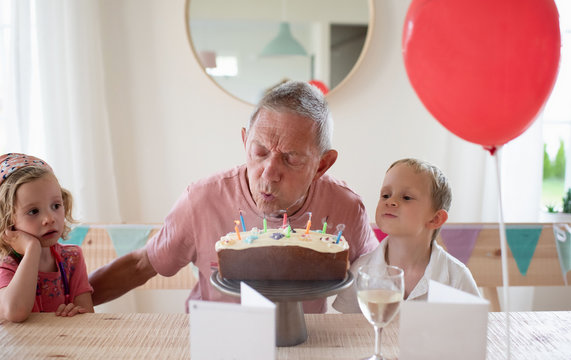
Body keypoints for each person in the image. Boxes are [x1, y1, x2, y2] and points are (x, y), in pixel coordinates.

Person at [89, 81, 379, 313]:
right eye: (260, 152)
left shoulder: (345, 208)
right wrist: (71, 302)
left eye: (291, 158)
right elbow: (142, 265)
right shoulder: (201, 201)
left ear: (322, 165)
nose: (269, 173)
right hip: (216, 344)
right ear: (244, 141)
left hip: (302, 346)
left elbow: (377, 280)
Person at [333, 158, 480, 313]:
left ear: (436, 219)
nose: (391, 202)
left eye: (406, 197)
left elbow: (473, 332)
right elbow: (348, 327)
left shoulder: (456, 277)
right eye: (386, 195)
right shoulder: (361, 271)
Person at [0, 153, 94, 322]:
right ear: (7, 220)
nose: (50, 219)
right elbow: (15, 312)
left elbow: (87, 317)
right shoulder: (5, 265)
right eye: (33, 211)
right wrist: (32, 249)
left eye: (56, 206)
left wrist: (76, 314)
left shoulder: (71, 258)